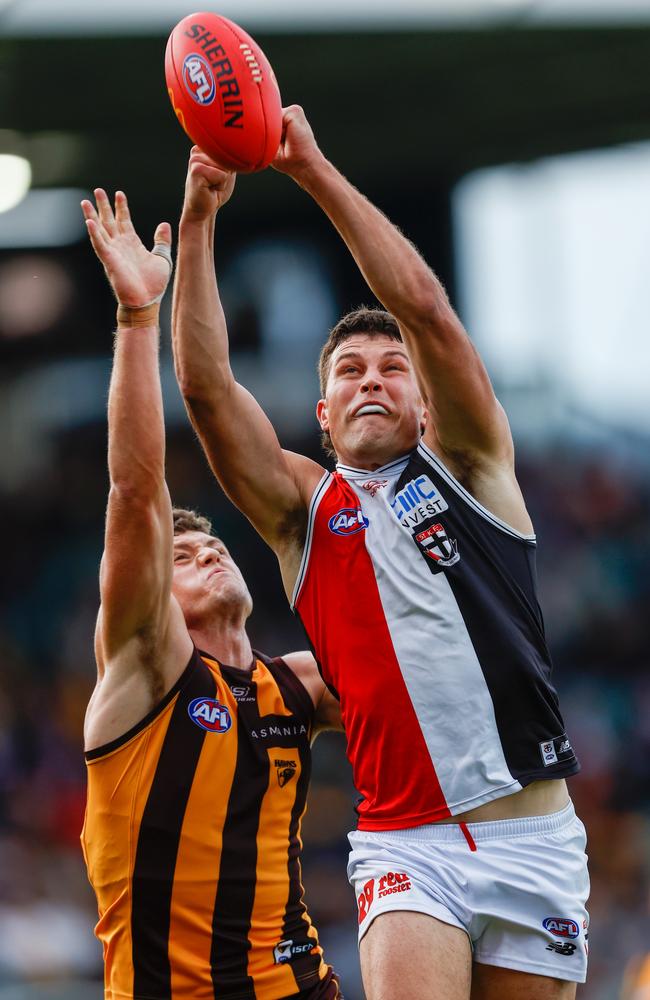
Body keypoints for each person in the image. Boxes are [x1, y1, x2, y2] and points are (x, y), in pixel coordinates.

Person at [172, 109, 590, 1000]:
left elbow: (426, 311)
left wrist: (313, 170)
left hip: (537, 838)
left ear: (425, 401)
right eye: (348, 372)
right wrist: (202, 217)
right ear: (320, 417)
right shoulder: (303, 512)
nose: (371, 378)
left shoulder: (475, 466)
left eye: (389, 368)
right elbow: (209, 394)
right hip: (410, 846)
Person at [79, 187, 343, 1000]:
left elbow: (420, 677)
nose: (210, 555)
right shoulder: (143, 669)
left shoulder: (295, 684)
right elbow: (135, 490)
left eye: (214, 545)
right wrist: (136, 320)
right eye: (185, 555)